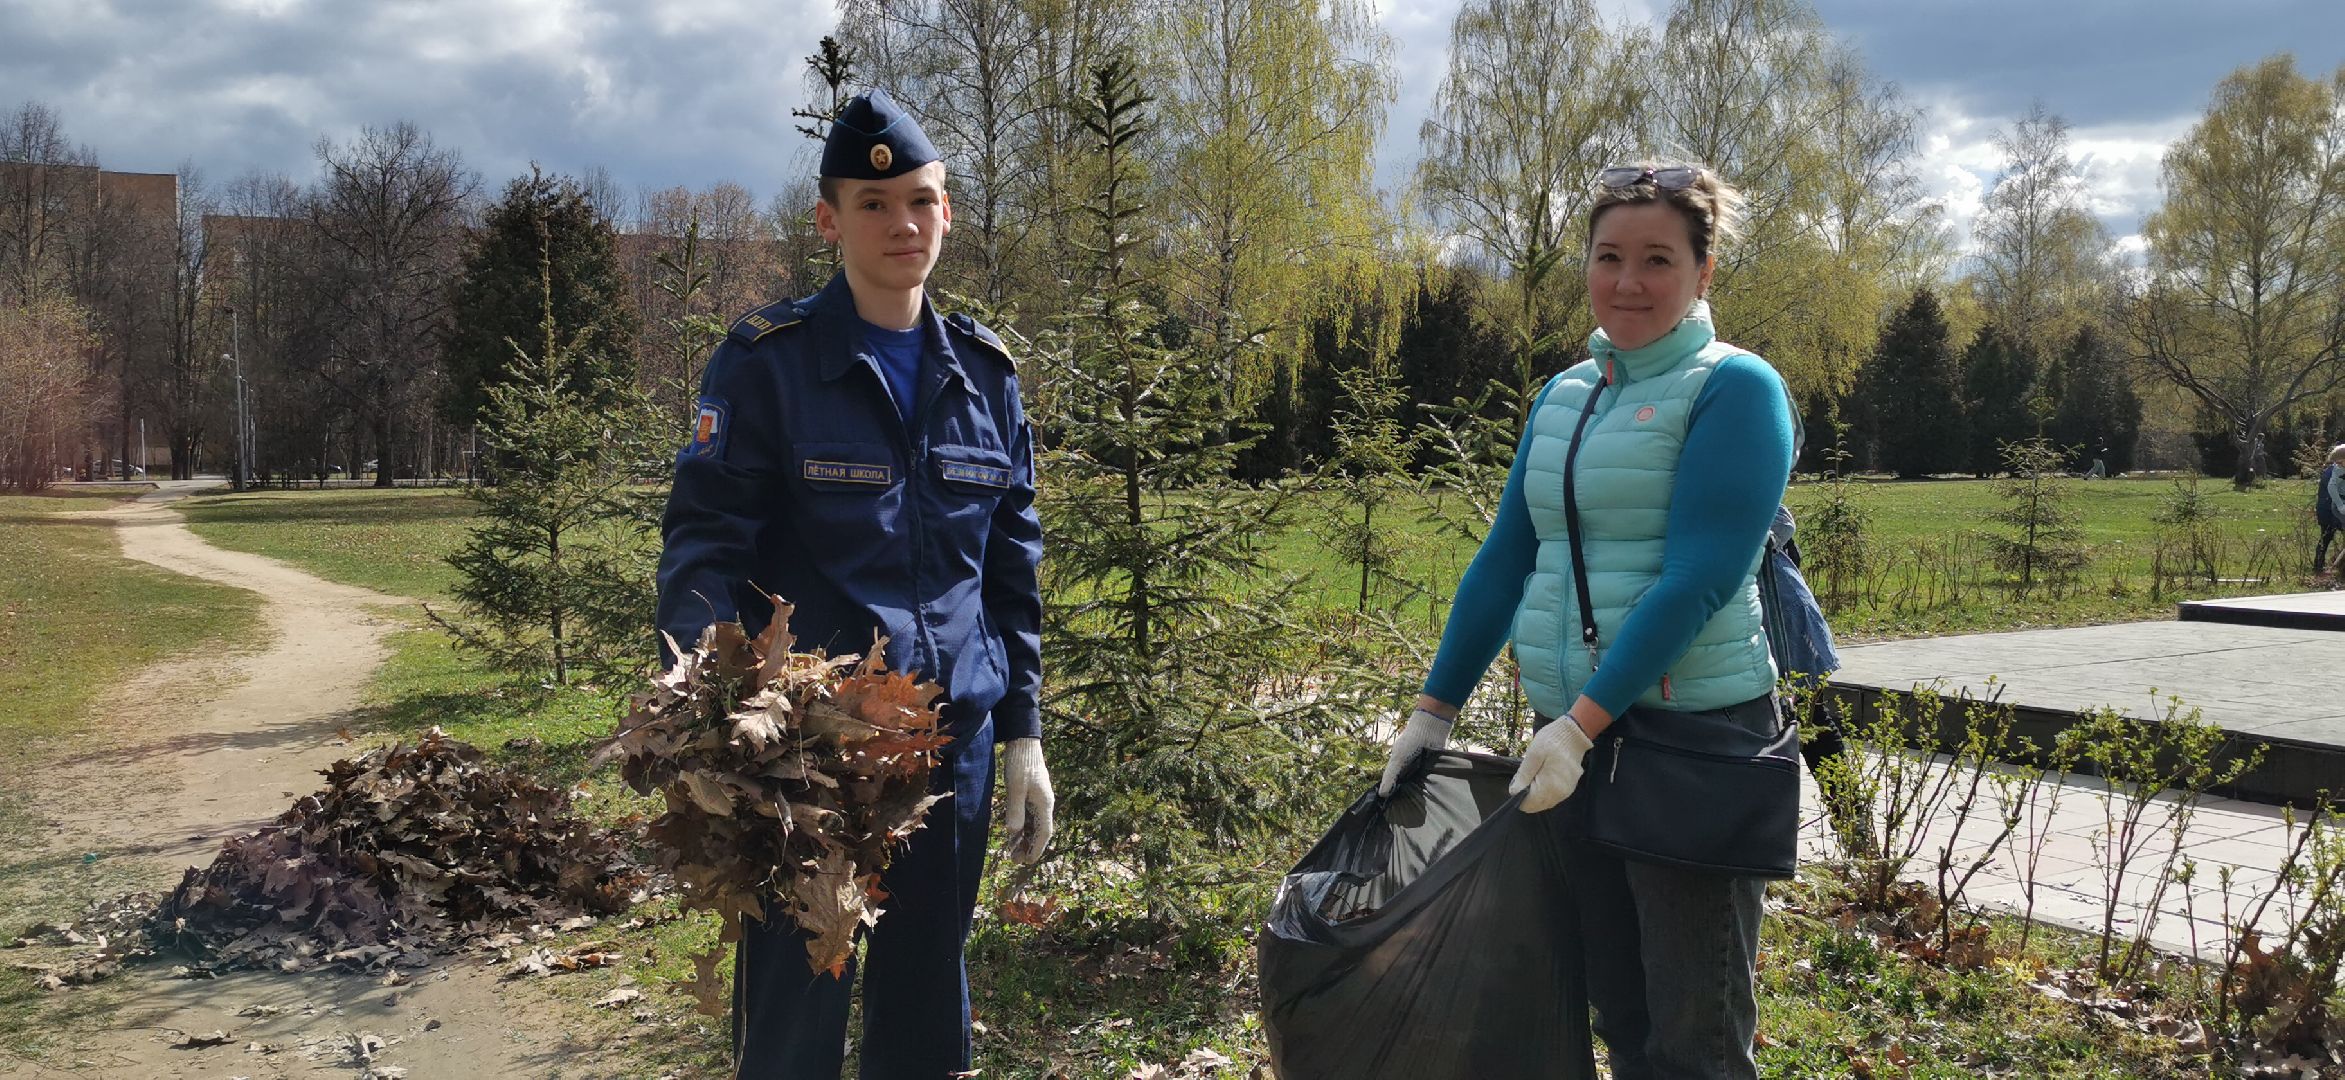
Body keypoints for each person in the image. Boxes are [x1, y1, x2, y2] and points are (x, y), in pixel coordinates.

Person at [655, 88, 1052, 1079]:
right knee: (795, 1014)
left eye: (920, 201)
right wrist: (715, 703)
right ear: (830, 220)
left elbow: (1010, 571)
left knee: (925, 1014)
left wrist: (1024, 736)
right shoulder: (769, 368)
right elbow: (702, 545)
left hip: (943, 754)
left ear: (947, 213)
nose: (902, 223)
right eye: (873, 206)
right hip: (809, 762)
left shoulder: (985, 380)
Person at [1379, 162, 1793, 1080]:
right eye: (1608, 257)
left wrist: (1579, 724)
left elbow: (1695, 578)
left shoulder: (1737, 389)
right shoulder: (1566, 394)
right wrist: (1432, 712)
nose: (1627, 282)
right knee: (1616, 1008)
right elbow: (1503, 559)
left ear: (1703, 272)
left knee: (1694, 1034)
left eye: (1656, 258)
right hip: (1569, 743)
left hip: (1691, 742)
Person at [2317, 444, 2344, 577]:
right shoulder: (2336, 472)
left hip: (2327, 510)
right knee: (2325, 538)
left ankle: (2320, 566)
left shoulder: (2332, 470)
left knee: (2325, 539)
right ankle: (2320, 567)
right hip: (2330, 511)